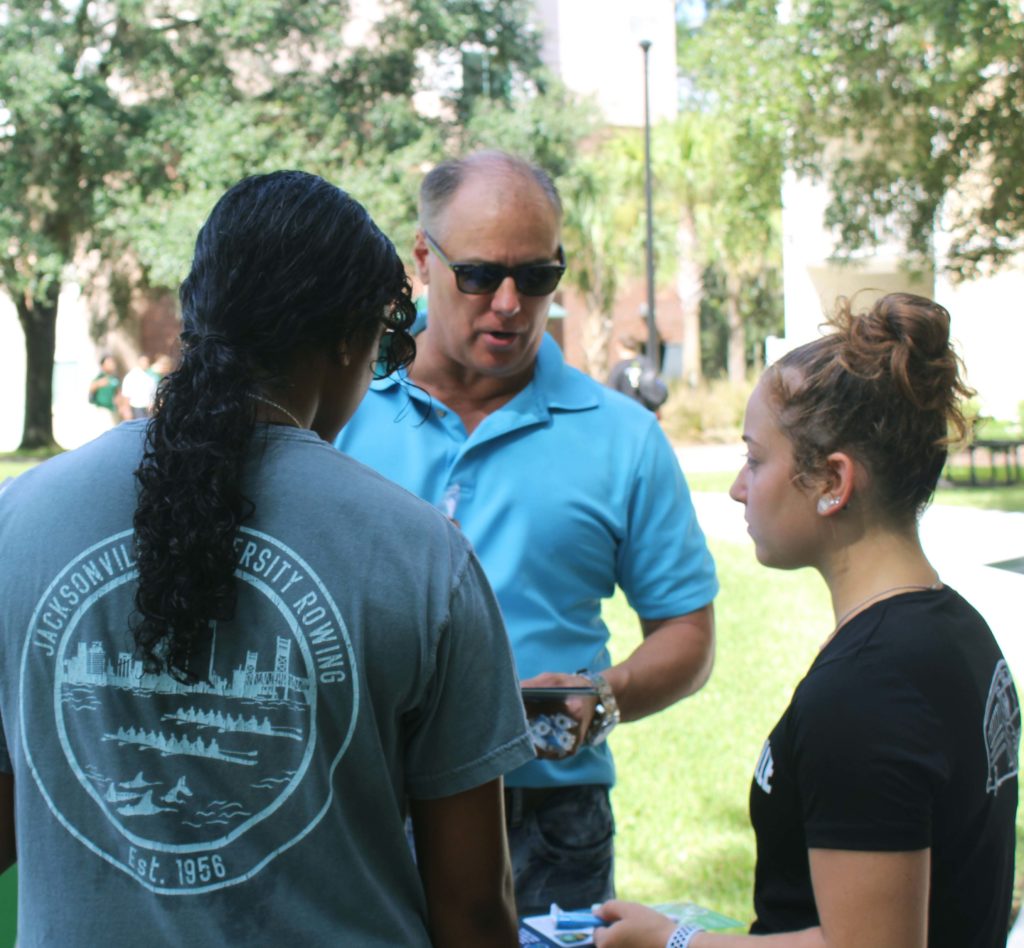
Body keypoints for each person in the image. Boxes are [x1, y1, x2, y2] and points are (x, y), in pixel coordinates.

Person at [0, 170, 534, 946]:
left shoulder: (18, 520)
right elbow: (473, 908)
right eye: (385, 351)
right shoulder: (423, 557)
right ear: (349, 339)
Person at [335, 150, 719, 915]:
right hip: (362, 806)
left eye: (536, 277)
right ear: (423, 259)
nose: (509, 303)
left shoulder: (623, 438)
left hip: (547, 818)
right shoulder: (338, 402)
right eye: (478, 275)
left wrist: (605, 700)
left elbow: (688, 633)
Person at [593, 293, 1020, 948]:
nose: (739, 487)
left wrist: (672, 941)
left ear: (833, 482)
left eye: (756, 460)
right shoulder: (954, 629)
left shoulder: (868, 691)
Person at [607, 334, 668, 414]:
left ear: (619, 346)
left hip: (626, 414)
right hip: (646, 414)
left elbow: (611, 394)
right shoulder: (646, 364)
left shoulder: (618, 368)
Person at [119, 354, 158, 419]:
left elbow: (154, 392)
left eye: (147, 362)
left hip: (150, 407)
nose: (145, 363)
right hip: (137, 408)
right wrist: (127, 410)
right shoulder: (131, 376)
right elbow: (126, 395)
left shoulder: (150, 377)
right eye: (143, 361)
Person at [88, 353, 121, 421]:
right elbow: (90, 393)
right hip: (102, 412)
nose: (112, 364)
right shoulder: (100, 377)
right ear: (103, 366)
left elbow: (118, 394)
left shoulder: (115, 378)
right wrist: (98, 384)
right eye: (109, 362)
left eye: (112, 362)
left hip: (113, 411)